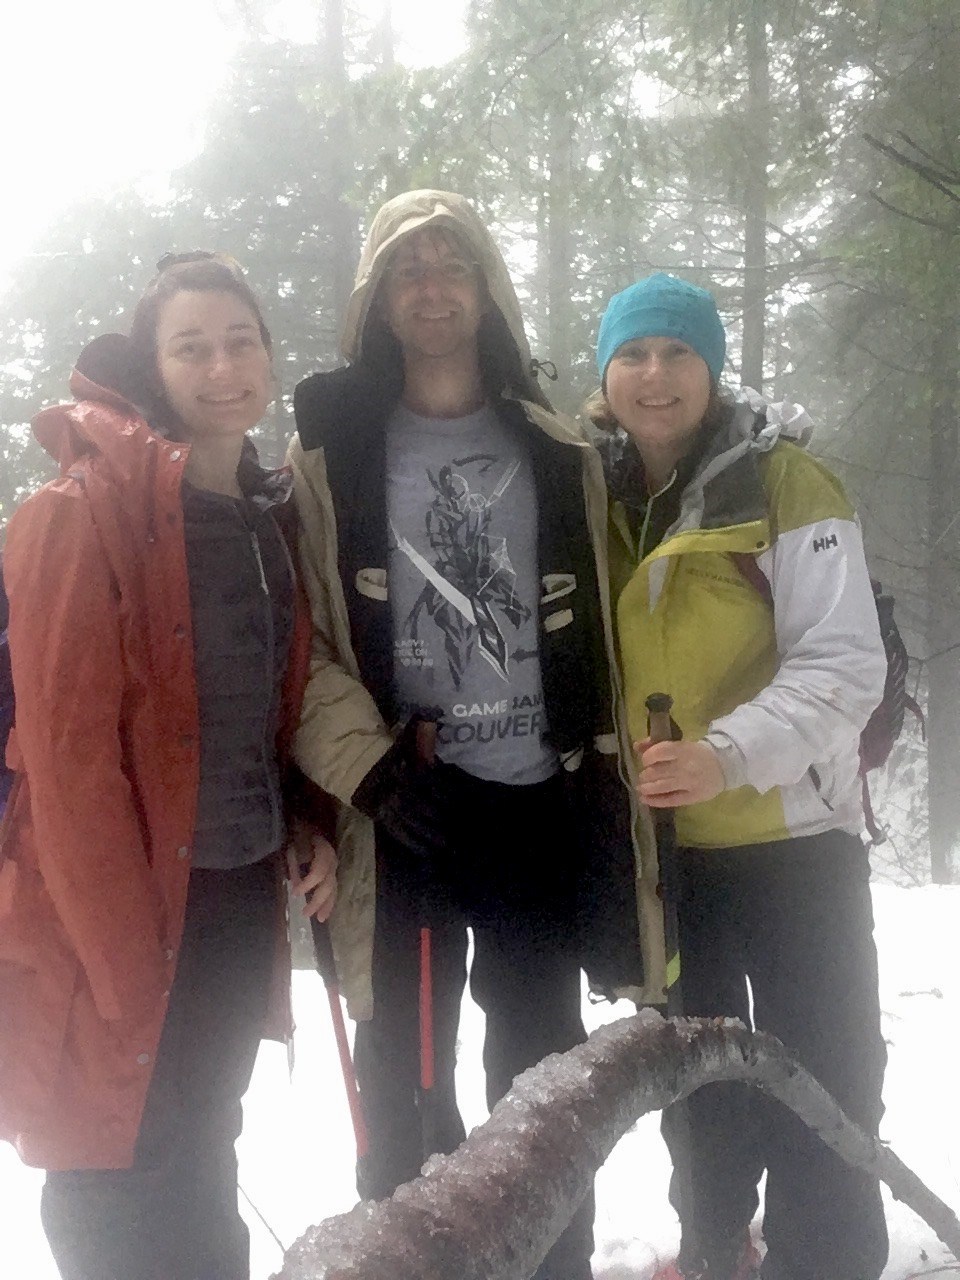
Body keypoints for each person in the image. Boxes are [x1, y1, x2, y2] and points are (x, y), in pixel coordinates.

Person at [288, 189, 650, 1280]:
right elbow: (299, 642)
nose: (434, 286)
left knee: (542, 1079)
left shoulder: (560, 449)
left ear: (486, 287)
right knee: (407, 1088)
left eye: (454, 264)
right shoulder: (329, 462)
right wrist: (378, 773)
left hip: (540, 802)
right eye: (409, 269)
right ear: (379, 299)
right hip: (414, 813)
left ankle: (554, 1264)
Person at [0, 253, 336, 1280]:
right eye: (190, 345)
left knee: (206, 1135)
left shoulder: (264, 517)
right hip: (118, 912)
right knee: (115, 1152)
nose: (221, 363)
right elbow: (67, 764)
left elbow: (249, 719)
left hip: (235, 892)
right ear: (154, 366)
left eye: (241, 340)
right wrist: (123, 959)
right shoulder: (79, 511)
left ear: (271, 359)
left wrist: (302, 821)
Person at [589, 272, 889, 1280]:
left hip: (794, 838)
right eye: (632, 353)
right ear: (606, 373)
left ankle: (829, 1259)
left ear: (712, 367)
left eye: (678, 351)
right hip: (671, 858)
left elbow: (845, 662)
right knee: (696, 1081)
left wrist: (726, 754)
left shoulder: (787, 483)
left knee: (829, 1069)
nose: (655, 372)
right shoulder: (593, 493)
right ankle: (716, 1247)